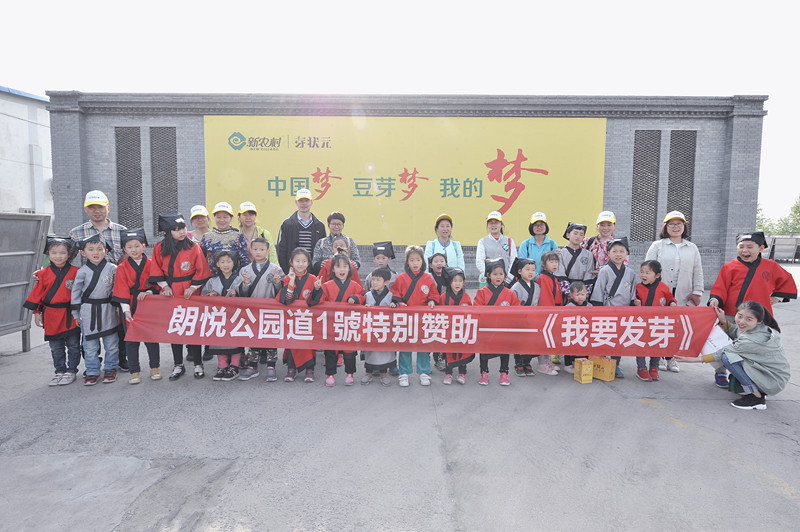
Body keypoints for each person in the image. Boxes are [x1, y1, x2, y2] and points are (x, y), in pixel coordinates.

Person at [706, 231, 796, 388]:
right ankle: (720, 371)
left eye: (749, 246)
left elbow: (786, 280)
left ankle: (748, 376)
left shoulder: (771, 266)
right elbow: (720, 287)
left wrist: (778, 297)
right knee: (721, 343)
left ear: (761, 248)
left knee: (753, 348)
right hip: (731, 314)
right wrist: (715, 299)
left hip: (757, 317)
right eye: (741, 246)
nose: (744, 250)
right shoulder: (729, 267)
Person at [676, 301, 789, 410]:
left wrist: (693, 359)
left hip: (772, 380)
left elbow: (722, 352)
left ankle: (756, 397)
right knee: (730, 356)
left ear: (759, 321)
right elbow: (736, 331)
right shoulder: (758, 328)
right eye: (740, 316)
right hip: (770, 375)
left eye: (749, 319)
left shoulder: (752, 340)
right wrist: (723, 321)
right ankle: (757, 389)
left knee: (728, 357)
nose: (742, 321)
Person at [68, 190, 129, 371]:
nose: (97, 211)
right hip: (90, 290)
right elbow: (65, 259)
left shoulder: (121, 230)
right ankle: (93, 366)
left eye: (100, 207)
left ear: (108, 207)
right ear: (85, 209)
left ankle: (119, 360)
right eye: (92, 207)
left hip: (116, 287)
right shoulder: (76, 232)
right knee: (90, 331)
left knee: (118, 328)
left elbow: (130, 257)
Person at [149, 212, 212, 381]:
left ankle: (198, 364)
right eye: (177, 229)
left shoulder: (193, 247)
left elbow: (202, 269)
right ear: (168, 232)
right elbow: (156, 269)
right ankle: (178, 365)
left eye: (183, 228)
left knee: (193, 329)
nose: (182, 232)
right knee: (175, 329)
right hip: (170, 293)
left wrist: (193, 287)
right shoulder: (159, 248)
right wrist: (164, 286)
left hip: (190, 293)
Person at [645, 211, 704, 373]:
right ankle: (658, 357)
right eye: (671, 224)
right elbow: (647, 269)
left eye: (679, 224)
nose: (675, 227)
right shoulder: (657, 245)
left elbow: (697, 270)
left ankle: (672, 358)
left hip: (683, 293)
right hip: (660, 293)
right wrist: (648, 290)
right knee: (659, 325)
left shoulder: (692, 247)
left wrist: (697, 291)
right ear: (666, 227)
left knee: (677, 327)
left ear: (684, 226)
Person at [24, 237, 81, 386]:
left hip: (70, 314)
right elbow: (38, 294)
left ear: (69, 254)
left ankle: (72, 370)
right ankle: (59, 371)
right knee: (55, 347)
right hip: (51, 315)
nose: (58, 256)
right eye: (54, 252)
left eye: (62, 252)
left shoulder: (77, 272)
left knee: (73, 345)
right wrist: (37, 313)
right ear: (48, 254)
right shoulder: (42, 274)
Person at [111, 229, 161, 384]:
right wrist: (125, 310)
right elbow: (121, 289)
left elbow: (157, 284)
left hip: (148, 305)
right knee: (131, 340)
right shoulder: (122, 267)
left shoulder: (152, 264)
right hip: (130, 304)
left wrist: (149, 291)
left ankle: (155, 367)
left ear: (143, 246)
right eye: (129, 247)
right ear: (124, 249)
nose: (134, 250)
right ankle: (134, 371)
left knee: (151, 338)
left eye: (137, 246)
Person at [309, 254, 366, 386]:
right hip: (332, 324)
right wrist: (316, 289)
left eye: (345, 266)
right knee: (330, 352)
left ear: (350, 269)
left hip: (348, 324)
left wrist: (356, 298)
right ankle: (330, 374)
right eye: (338, 266)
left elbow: (362, 296)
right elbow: (316, 301)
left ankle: (350, 374)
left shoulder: (355, 286)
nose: (342, 269)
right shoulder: (326, 286)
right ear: (333, 269)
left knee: (349, 352)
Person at [71, 234, 119, 385]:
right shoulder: (82, 271)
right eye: (91, 249)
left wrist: (118, 307)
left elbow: (118, 288)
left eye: (99, 249)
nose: (96, 252)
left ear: (106, 251)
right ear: (83, 252)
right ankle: (92, 370)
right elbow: (76, 293)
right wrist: (76, 314)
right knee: (90, 345)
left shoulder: (113, 268)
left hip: (108, 309)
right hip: (88, 311)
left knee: (111, 343)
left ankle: (111, 368)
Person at [391, 245, 438, 387]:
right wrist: (399, 302)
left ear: (422, 261)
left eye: (418, 259)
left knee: (423, 345)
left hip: (423, 318)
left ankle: (424, 371)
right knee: (405, 345)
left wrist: (431, 300)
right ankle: (404, 373)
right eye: (412, 260)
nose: (415, 263)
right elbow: (395, 293)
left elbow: (434, 293)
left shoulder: (428, 278)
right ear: (407, 262)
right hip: (406, 317)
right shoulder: (401, 278)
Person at [589, 237, 637, 378]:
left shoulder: (630, 273)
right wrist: (598, 309)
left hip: (624, 311)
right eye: (614, 251)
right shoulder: (604, 271)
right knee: (605, 337)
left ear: (627, 253)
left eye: (622, 251)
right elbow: (598, 290)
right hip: (607, 309)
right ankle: (602, 362)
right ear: (608, 253)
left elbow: (632, 292)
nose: (618, 254)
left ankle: (616, 364)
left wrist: (633, 304)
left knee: (619, 339)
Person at [237, 237, 283, 381]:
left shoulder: (276, 269)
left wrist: (277, 284)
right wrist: (245, 284)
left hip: (270, 310)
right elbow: (241, 294)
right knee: (253, 338)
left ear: (268, 251)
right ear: (251, 251)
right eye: (255, 249)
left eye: (262, 249)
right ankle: (252, 366)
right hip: (253, 311)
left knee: (271, 339)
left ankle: (271, 366)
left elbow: (281, 292)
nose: (258, 252)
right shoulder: (245, 270)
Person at [474, 258, 520, 386]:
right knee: (484, 351)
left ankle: (504, 373)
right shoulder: (482, 292)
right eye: (495, 274)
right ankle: (484, 372)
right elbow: (477, 309)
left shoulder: (510, 293)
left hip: (503, 328)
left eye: (501, 274)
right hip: (487, 328)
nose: (498, 277)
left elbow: (517, 309)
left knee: (504, 351)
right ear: (488, 275)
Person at [277, 248, 318, 382]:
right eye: (297, 261)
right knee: (291, 342)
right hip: (291, 317)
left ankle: (310, 370)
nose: (300, 264)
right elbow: (286, 299)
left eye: (304, 261)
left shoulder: (313, 279)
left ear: (308, 263)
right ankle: (291, 369)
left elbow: (316, 300)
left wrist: (317, 289)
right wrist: (291, 282)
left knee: (309, 344)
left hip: (307, 318)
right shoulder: (287, 278)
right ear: (291, 262)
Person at [203, 250, 244, 381]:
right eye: (222, 262)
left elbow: (247, 296)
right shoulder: (212, 281)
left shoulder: (240, 280)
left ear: (234, 263)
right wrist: (210, 296)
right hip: (218, 316)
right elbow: (203, 296)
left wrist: (236, 295)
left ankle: (234, 366)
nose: (226, 264)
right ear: (217, 264)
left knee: (235, 340)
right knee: (219, 340)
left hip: (235, 316)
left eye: (229, 261)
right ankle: (222, 366)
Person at [633, 260, 677, 382]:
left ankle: (654, 368)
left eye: (647, 273)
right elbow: (633, 300)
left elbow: (670, 298)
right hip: (642, 322)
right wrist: (635, 302)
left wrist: (672, 303)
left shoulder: (663, 287)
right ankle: (641, 368)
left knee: (656, 345)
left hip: (658, 323)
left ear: (657, 275)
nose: (643, 275)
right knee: (641, 345)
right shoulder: (638, 287)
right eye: (642, 272)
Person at [277, 189, 327, 274]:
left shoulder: (319, 225)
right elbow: (281, 250)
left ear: (311, 202)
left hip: (313, 273)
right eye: (301, 201)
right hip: (292, 272)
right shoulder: (287, 224)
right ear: (296, 202)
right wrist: (286, 272)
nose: (304, 203)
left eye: (306, 200)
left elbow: (323, 251)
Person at [437, 267, 473, 385]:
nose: (457, 283)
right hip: (449, 329)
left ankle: (462, 373)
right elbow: (439, 313)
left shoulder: (466, 296)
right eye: (454, 281)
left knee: (462, 350)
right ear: (449, 282)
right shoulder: (444, 296)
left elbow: (471, 312)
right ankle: (448, 373)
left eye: (460, 281)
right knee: (449, 351)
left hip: (462, 329)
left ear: (464, 282)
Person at [361, 266, 396, 386]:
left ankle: (383, 375)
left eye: (378, 280)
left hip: (384, 329)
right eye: (373, 279)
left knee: (384, 352)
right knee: (369, 351)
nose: (374, 282)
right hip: (370, 329)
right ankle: (368, 374)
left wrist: (394, 305)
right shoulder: (367, 295)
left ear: (386, 282)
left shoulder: (391, 296)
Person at [509, 258, 540, 377]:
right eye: (527, 269)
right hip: (520, 319)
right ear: (520, 271)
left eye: (533, 270)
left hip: (532, 318)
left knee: (530, 342)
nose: (531, 272)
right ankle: (518, 364)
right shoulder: (515, 287)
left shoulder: (537, 286)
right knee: (519, 342)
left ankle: (527, 363)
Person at [200, 201, 249, 276]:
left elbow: (244, 261)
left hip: (233, 279)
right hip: (211, 279)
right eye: (218, 217)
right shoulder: (206, 237)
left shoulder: (239, 237)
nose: (222, 220)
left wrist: (239, 278)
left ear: (231, 218)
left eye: (225, 217)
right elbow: (200, 260)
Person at [535, 251, 563, 374]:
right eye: (551, 262)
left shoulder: (553, 277)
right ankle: (541, 364)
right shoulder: (543, 278)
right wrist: (551, 313)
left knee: (548, 339)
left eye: (556, 262)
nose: (554, 264)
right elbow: (545, 298)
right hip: (547, 313)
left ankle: (546, 360)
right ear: (543, 263)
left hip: (553, 311)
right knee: (543, 338)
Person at [475, 211, 517, 287]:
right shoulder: (482, 241)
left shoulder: (509, 241)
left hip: (506, 282)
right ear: (488, 225)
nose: (493, 225)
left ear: (501, 224)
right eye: (491, 223)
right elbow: (479, 261)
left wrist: (507, 280)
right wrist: (490, 277)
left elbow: (513, 262)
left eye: (496, 223)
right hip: (488, 282)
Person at [556, 222, 596, 300]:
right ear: (568, 235)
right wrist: (569, 293)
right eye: (575, 233)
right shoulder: (560, 253)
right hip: (565, 294)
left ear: (583, 237)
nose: (578, 236)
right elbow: (560, 274)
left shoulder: (588, 254)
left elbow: (589, 275)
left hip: (582, 293)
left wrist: (583, 294)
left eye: (581, 234)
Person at [563, 281, 593, 374]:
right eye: (577, 294)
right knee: (569, 347)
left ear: (586, 294)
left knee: (585, 347)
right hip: (572, 331)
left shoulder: (590, 306)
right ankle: (568, 365)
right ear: (571, 295)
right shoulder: (568, 307)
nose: (580, 297)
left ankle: (584, 363)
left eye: (582, 294)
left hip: (584, 331)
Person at [518, 212, 559, 279]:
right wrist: (537, 278)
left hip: (547, 280)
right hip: (529, 280)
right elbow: (522, 265)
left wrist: (544, 279)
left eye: (541, 225)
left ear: (546, 226)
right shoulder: (525, 244)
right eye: (536, 225)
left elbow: (555, 266)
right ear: (531, 227)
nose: (539, 227)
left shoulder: (552, 244)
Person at [428, 252, 448, 371]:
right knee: (431, 335)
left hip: (445, 312)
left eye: (442, 261)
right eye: (436, 261)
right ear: (431, 265)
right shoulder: (427, 277)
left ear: (446, 264)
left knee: (443, 336)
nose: (439, 263)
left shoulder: (450, 277)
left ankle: (441, 358)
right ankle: (430, 360)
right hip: (431, 312)